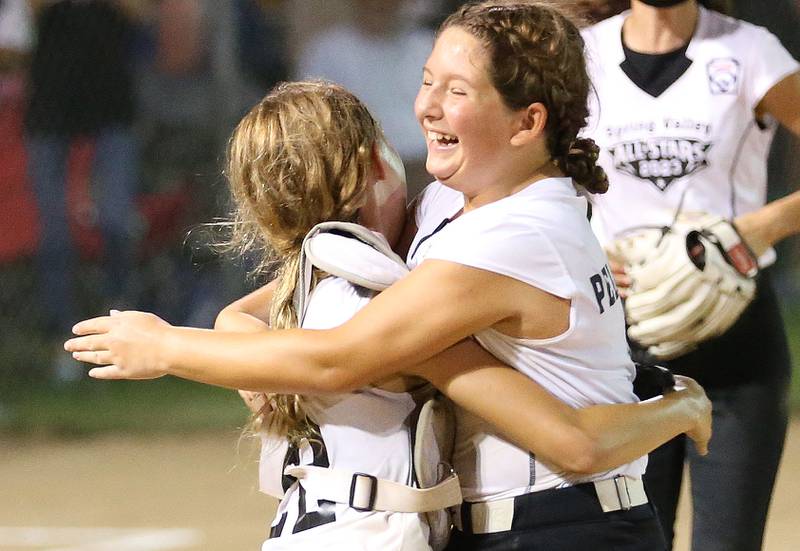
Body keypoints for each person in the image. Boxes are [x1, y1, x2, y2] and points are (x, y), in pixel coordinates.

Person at [66, 3, 711, 549]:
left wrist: (163, 346)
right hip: (505, 522)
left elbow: (337, 359)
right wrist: (238, 320)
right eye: (427, 80)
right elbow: (320, 282)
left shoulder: (516, 235)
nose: (426, 106)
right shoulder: (454, 204)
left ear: (528, 122)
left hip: (563, 527)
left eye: (456, 91)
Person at [581, 1, 800, 549]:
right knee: (634, 541)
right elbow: (534, 168)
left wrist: (763, 226)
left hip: (735, 333)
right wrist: (578, 244)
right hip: (622, 341)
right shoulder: (583, 54)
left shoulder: (749, 51)